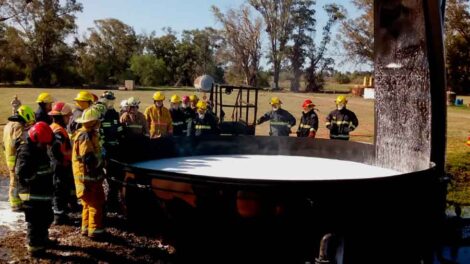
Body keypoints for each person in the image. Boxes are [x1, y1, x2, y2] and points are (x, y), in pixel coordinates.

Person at [16, 122, 55, 257]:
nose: (45, 147)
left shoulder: (39, 148)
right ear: (35, 139)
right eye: (43, 144)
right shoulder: (26, 151)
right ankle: (35, 247)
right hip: (32, 194)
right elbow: (22, 172)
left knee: (46, 218)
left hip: (42, 192)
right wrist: (37, 176)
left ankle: (43, 239)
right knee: (35, 222)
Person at [72, 107, 106, 239]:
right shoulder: (85, 136)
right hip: (87, 178)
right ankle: (95, 232)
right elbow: (88, 158)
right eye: (98, 121)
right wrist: (100, 164)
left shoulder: (87, 134)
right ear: (93, 122)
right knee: (95, 204)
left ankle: (85, 229)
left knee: (87, 204)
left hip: (87, 177)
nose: (99, 123)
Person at [3, 105, 36, 211]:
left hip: (9, 155)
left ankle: (15, 201)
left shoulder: (9, 124)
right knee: (16, 180)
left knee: (14, 179)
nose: (28, 125)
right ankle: (15, 204)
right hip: (16, 157)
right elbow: (21, 141)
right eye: (29, 122)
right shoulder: (18, 126)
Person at [48, 102, 77, 224]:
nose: (69, 118)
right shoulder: (58, 131)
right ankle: (59, 216)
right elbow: (55, 149)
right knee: (59, 189)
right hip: (59, 165)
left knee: (60, 188)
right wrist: (62, 161)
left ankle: (61, 211)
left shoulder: (53, 127)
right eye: (68, 116)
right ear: (62, 116)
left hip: (57, 164)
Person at [97, 91, 123, 213]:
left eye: (112, 100)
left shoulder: (114, 113)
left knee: (115, 176)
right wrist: (103, 149)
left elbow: (118, 129)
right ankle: (107, 202)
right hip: (105, 149)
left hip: (115, 149)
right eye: (108, 100)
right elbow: (99, 133)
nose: (110, 103)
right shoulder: (100, 114)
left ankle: (113, 201)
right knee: (106, 177)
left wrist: (121, 137)